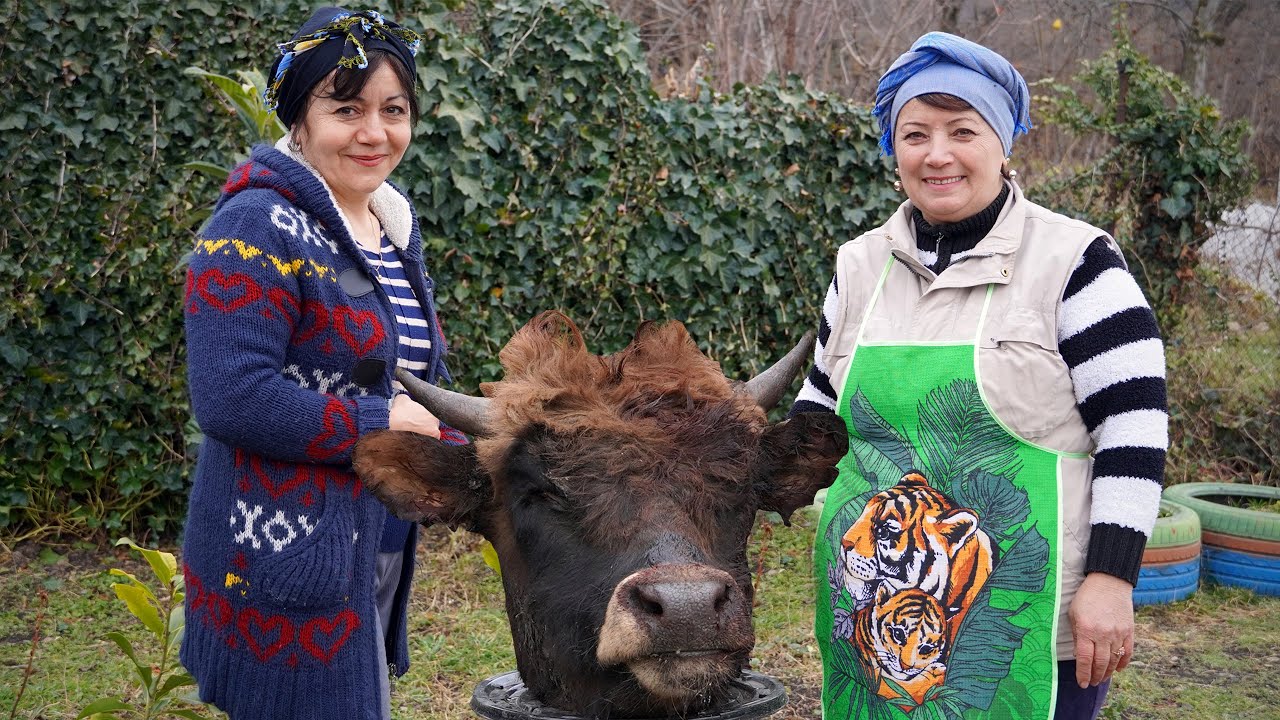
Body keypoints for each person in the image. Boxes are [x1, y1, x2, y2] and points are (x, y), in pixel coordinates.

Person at [793, 32, 1167, 720]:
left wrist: (1112, 577)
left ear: (1003, 141)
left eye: (962, 130)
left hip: (1028, 620)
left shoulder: (1077, 262)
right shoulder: (857, 266)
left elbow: (1134, 428)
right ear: (892, 150)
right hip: (874, 622)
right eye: (915, 135)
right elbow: (816, 415)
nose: (937, 155)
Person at [180, 8, 465, 719]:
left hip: (370, 543)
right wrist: (383, 420)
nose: (375, 132)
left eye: (393, 110)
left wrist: (468, 446)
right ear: (298, 120)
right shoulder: (254, 226)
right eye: (346, 108)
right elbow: (230, 397)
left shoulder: (387, 229)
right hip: (288, 561)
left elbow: (413, 380)